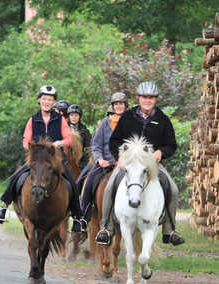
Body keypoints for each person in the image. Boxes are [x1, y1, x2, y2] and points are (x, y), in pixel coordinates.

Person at [95, 83, 185, 246]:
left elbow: (171, 145)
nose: (147, 100)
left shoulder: (163, 120)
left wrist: (161, 152)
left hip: (151, 164)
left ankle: (170, 230)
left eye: (151, 97)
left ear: (156, 99)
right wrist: (120, 157)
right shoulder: (128, 117)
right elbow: (114, 141)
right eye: (144, 97)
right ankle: (106, 229)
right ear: (138, 98)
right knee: (109, 188)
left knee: (173, 189)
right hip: (127, 163)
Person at [0, 85, 86, 233]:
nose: (46, 102)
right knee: (17, 177)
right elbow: (26, 139)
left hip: (55, 158)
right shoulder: (33, 120)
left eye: (50, 99)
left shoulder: (60, 120)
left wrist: (58, 143)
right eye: (44, 99)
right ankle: (4, 207)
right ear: (39, 100)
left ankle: (77, 217)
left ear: (53, 102)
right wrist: (29, 146)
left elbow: (68, 139)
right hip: (37, 158)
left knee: (71, 183)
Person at [79, 92, 128, 219]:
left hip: (125, 164)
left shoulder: (132, 123)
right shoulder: (104, 124)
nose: (118, 106)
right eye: (116, 104)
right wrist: (100, 159)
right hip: (105, 163)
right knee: (88, 184)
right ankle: (83, 217)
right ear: (113, 105)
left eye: (121, 104)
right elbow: (96, 145)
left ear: (125, 105)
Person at [67, 105, 91, 170]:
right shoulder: (63, 128)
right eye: (72, 115)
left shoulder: (85, 131)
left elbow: (89, 147)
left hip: (80, 161)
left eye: (76, 115)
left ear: (79, 117)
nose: (74, 118)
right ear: (69, 116)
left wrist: (82, 155)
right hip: (66, 159)